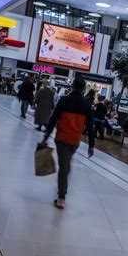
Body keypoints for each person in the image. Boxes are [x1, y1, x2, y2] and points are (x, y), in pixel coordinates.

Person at [43, 77, 94, 209]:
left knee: (64, 166)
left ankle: (61, 196)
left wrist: (46, 136)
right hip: (75, 141)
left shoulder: (64, 101)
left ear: (73, 86)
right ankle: (62, 186)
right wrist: (91, 145)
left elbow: (53, 119)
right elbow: (90, 126)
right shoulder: (86, 105)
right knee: (66, 163)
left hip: (62, 139)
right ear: (83, 89)